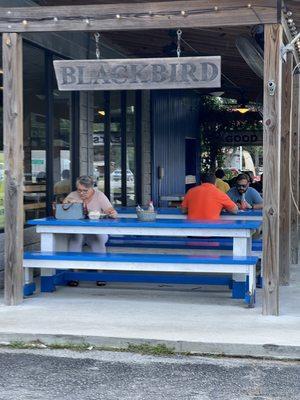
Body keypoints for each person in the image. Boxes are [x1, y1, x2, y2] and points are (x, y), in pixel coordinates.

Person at [63, 175, 117, 286]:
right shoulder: (73, 195)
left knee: (97, 239)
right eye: (79, 190)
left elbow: (111, 211)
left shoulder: (99, 195)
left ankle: (100, 274)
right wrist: (66, 203)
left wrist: (111, 213)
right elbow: (63, 210)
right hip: (78, 230)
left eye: (85, 191)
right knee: (75, 238)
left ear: (91, 188)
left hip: (97, 229)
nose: (81, 193)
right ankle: (75, 275)